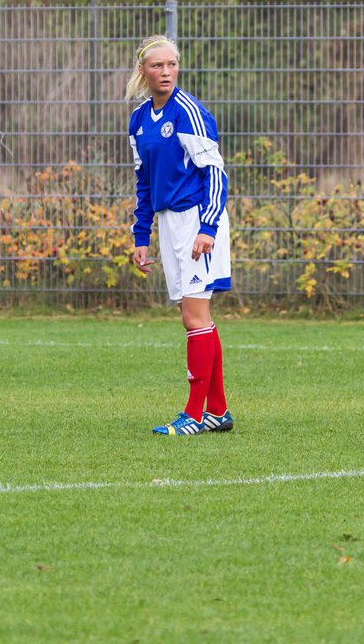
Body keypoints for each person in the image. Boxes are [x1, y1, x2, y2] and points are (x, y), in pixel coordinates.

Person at [127, 35, 234, 436]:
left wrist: (207, 227)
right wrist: (141, 237)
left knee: (194, 317)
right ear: (143, 71)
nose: (166, 72)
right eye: (158, 65)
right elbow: (143, 184)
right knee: (196, 318)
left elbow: (216, 174)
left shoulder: (189, 111)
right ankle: (218, 411)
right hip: (169, 223)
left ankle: (192, 415)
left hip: (197, 221)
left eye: (172, 64)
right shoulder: (139, 120)